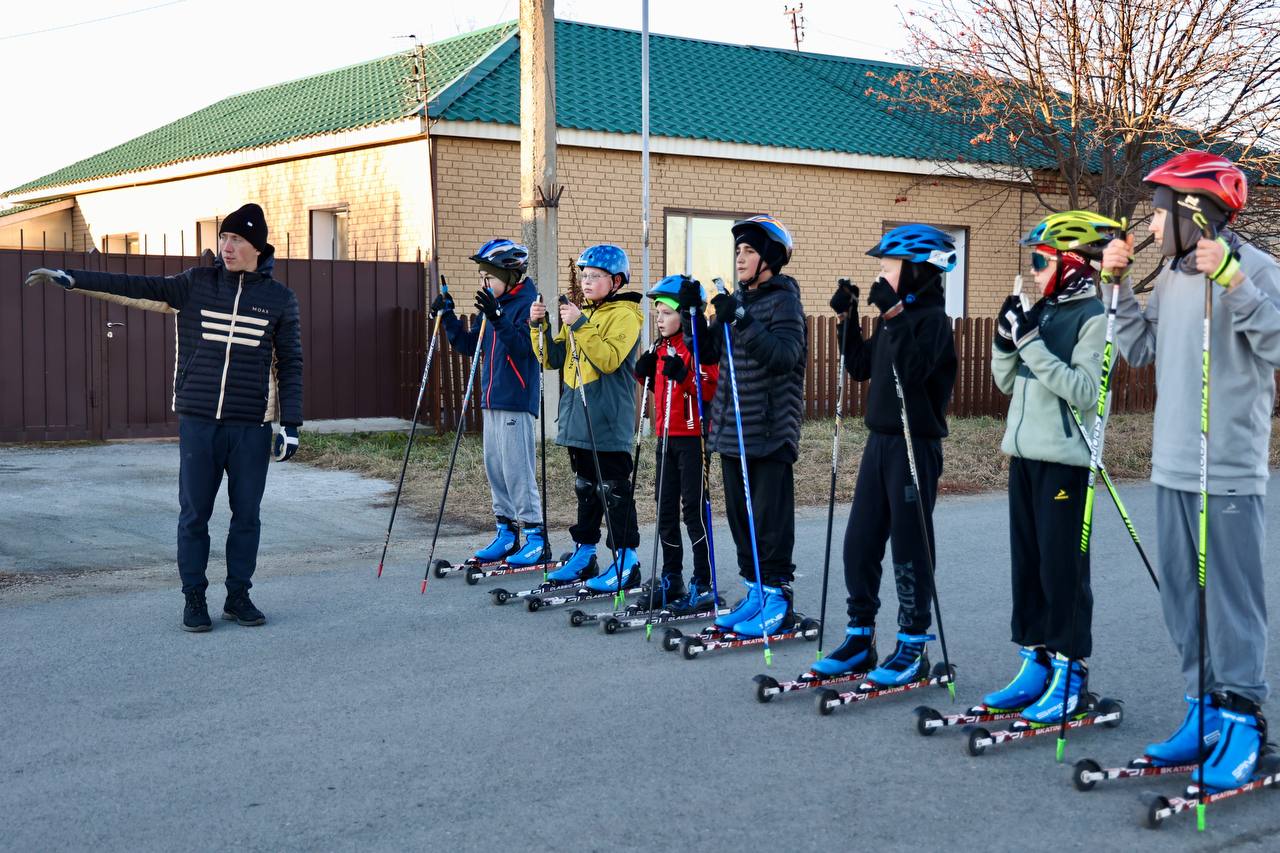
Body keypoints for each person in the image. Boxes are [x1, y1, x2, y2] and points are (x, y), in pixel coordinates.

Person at [25, 203, 303, 632]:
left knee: (246, 515)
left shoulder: (280, 299)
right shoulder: (196, 284)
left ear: (257, 247)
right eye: (223, 238)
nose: (226, 247)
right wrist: (74, 280)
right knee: (195, 514)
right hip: (199, 421)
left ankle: (237, 596)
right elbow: (135, 286)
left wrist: (291, 425)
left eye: (236, 240)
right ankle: (194, 597)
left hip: (251, 424)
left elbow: (291, 363)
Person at [1101, 151, 1280, 791]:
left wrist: (1235, 282)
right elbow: (1138, 349)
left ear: (1193, 211)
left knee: (1230, 603)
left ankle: (1243, 724)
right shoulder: (1174, 276)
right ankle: (1203, 713)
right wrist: (1117, 285)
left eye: (1157, 214)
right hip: (1172, 465)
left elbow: (1277, 344)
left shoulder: (1257, 269)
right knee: (1182, 599)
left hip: (1226, 469)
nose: (1150, 227)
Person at [982, 211, 1121, 724]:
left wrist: (1031, 345)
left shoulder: (1095, 318)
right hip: (1024, 457)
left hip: (1066, 462)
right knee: (1029, 567)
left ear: (1072, 264)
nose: (1036, 271)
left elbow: (1086, 392)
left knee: (1063, 571)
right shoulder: (1042, 310)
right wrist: (1004, 340)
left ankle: (1071, 672)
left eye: (1042, 261)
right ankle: (1035, 663)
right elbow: (1005, 382)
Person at [812, 224, 957, 685]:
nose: (879, 271)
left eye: (887, 265)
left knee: (910, 547)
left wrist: (892, 313)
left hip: (916, 445)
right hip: (880, 443)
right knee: (860, 543)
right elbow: (858, 366)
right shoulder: (896, 320)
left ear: (914, 271)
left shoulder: (934, 322)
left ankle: (913, 645)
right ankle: (860, 638)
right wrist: (848, 317)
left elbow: (914, 373)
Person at [678, 215, 806, 639]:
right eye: (738, 251)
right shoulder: (737, 301)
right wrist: (693, 312)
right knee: (740, 519)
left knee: (769, 520)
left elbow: (786, 356)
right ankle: (755, 591)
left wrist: (742, 321)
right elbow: (708, 351)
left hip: (768, 432)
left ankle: (778, 598)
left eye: (750, 250)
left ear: (769, 257)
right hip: (731, 432)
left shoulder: (784, 300)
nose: (741, 258)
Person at [528, 245, 643, 592]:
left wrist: (579, 323)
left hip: (608, 418)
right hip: (576, 418)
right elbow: (552, 359)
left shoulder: (626, 315)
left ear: (616, 280)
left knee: (614, 491)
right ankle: (585, 553)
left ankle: (627, 560)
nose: (586, 281)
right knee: (586, 489)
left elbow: (607, 359)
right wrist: (539, 327)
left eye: (595, 276)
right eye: (584, 275)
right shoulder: (579, 315)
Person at [432, 239, 547, 567]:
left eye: (489, 278)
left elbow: (526, 349)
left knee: (516, 471)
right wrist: (449, 317)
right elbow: (471, 346)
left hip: (516, 399)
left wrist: (498, 317)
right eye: (482, 277)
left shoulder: (528, 305)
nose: (484, 283)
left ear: (510, 276)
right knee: (495, 468)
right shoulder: (493, 306)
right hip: (492, 399)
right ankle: (507, 533)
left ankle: (535, 537)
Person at [632, 275, 719, 613]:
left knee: (693, 511)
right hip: (665, 437)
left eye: (666, 311)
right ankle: (672, 576)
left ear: (684, 313)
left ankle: (703, 581)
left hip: (693, 438)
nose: (660, 318)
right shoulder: (659, 347)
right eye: (657, 312)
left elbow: (708, 387)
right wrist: (644, 374)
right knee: (664, 509)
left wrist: (683, 374)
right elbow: (658, 387)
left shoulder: (698, 345)